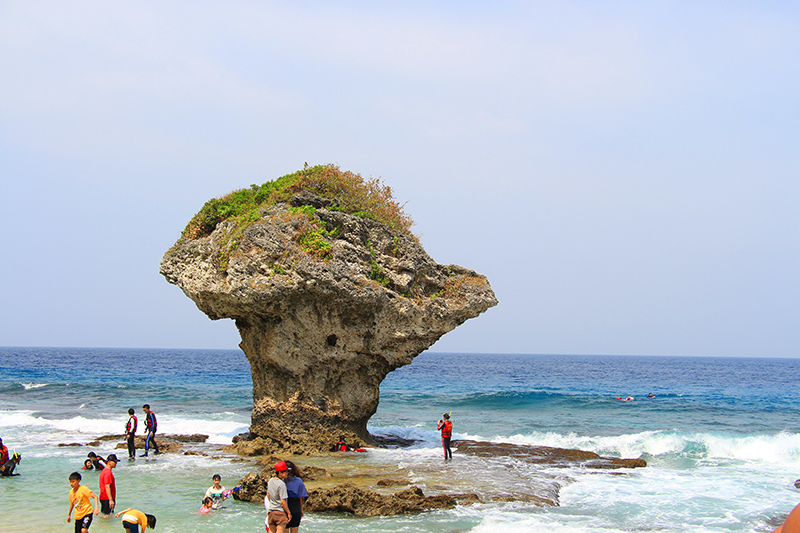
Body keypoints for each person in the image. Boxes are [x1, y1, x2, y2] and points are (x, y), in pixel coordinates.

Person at [265, 461, 292, 533]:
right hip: (280, 513)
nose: (287, 473)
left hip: (271, 512)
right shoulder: (281, 484)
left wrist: (273, 503)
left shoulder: (270, 481)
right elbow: (283, 501)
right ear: (280, 473)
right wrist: (289, 513)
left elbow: (268, 495)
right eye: (285, 471)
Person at [284, 461, 308, 533]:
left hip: (285, 508)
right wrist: (301, 509)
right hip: (296, 508)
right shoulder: (299, 481)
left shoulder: (282, 481)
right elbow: (301, 497)